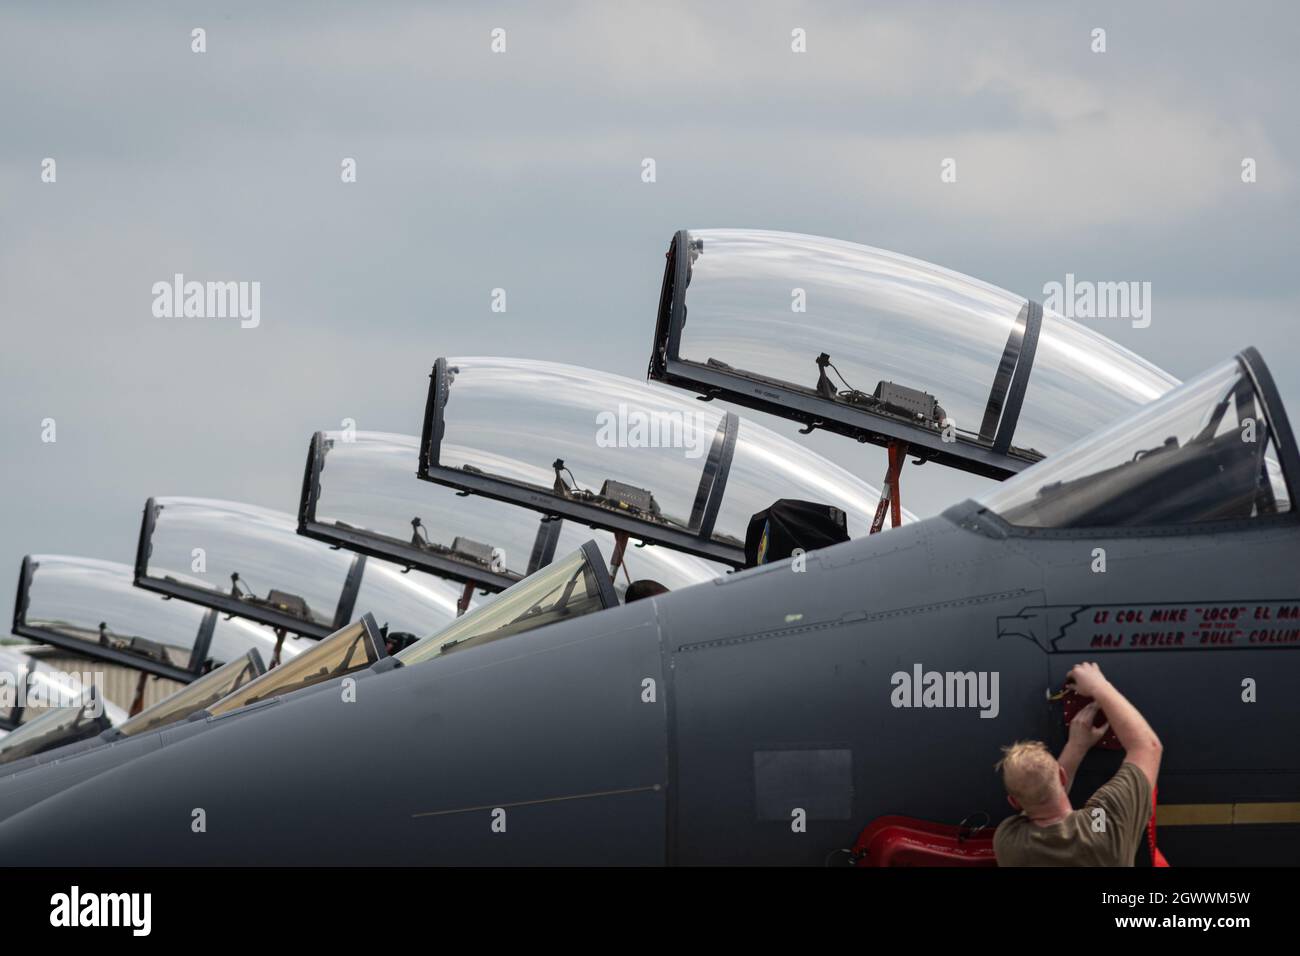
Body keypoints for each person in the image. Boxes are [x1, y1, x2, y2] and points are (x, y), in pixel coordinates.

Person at [993, 661, 1162, 866]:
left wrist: (1076, 746)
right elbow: (1147, 747)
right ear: (1062, 776)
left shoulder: (1009, 843)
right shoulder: (1101, 828)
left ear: (1014, 802)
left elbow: (1037, 802)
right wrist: (1098, 686)